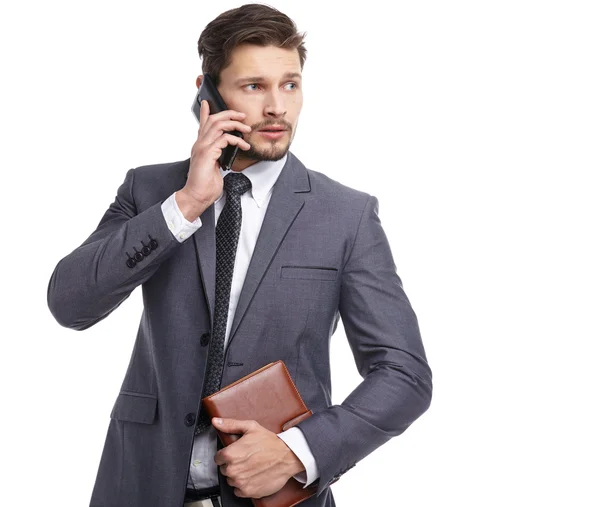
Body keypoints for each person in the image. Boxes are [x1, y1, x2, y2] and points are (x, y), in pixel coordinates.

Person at [47, 4, 432, 507]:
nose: (277, 107)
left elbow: (404, 376)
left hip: (273, 496)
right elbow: (70, 304)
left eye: (290, 84)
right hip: (141, 486)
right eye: (254, 86)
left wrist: (299, 453)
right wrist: (185, 205)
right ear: (207, 93)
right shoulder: (151, 190)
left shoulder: (346, 215)